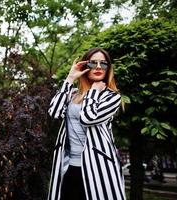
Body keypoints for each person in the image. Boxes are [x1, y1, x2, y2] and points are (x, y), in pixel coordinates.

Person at [47, 48, 126, 200]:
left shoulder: (111, 97)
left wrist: (93, 93)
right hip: (70, 166)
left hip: (98, 167)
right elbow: (54, 112)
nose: (98, 67)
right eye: (93, 63)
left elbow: (88, 118)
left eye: (103, 64)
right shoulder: (73, 94)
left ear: (108, 69)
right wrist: (70, 78)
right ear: (85, 67)